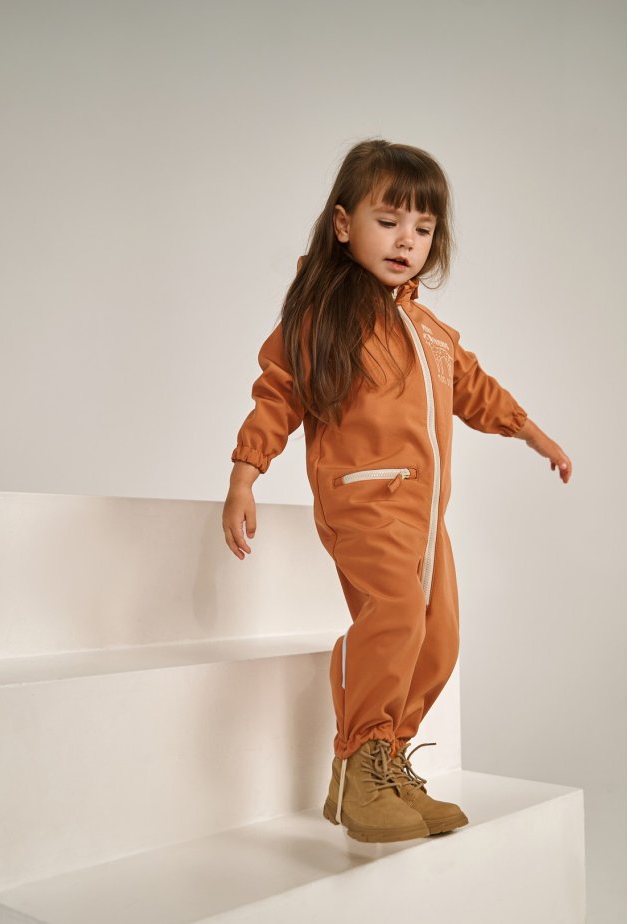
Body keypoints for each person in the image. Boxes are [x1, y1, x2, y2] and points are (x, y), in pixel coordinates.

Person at [222, 139, 572, 844]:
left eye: (423, 228)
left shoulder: (430, 330)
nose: (406, 241)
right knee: (396, 615)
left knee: (439, 639)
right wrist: (245, 473)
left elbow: (475, 388)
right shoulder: (326, 314)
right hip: (362, 499)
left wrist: (531, 432)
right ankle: (358, 759)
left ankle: (385, 759)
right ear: (343, 224)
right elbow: (278, 392)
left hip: (425, 514)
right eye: (388, 222)